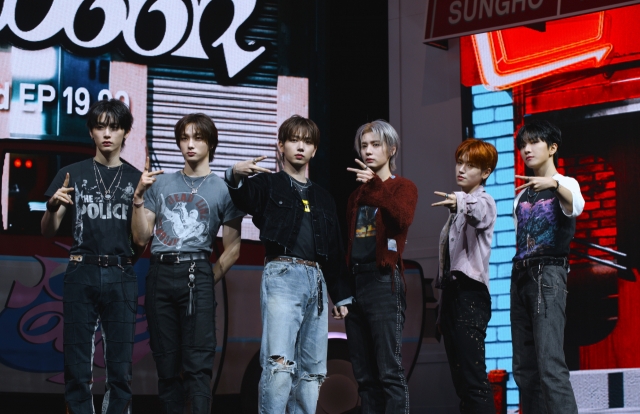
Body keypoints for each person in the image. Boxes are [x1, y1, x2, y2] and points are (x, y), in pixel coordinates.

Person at [225, 115, 351, 413]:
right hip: (282, 274)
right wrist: (234, 174)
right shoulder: (269, 184)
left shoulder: (323, 196)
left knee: (313, 371)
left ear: (315, 150)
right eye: (294, 140)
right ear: (280, 146)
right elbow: (242, 198)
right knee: (279, 365)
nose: (300, 146)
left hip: (317, 280)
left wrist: (341, 293)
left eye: (307, 142)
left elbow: (333, 249)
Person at [131, 113, 243, 413]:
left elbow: (233, 248)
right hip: (159, 273)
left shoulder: (223, 189)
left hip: (198, 274)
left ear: (211, 142)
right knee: (167, 367)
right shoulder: (162, 182)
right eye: (184, 138)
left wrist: (207, 276)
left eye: (197, 137)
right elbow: (142, 238)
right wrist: (139, 199)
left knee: (198, 367)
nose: (189, 144)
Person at [41, 99, 141, 413]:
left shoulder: (137, 178)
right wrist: (53, 207)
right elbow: (48, 231)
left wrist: (139, 202)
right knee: (77, 366)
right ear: (91, 132)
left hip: (121, 272)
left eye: (114, 127)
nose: (107, 133)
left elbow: (141, 239)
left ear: (126, 133)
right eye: (100, 126)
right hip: (81, 272)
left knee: (121, 369)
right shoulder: (71, 174)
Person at [344, 120, 418, 414]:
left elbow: (402, 219)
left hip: (383, 281)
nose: (369, 151)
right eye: (364, 145)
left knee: (389, 371)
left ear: (392, 149)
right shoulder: (355, 196)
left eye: (375, 144)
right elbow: (349, 245)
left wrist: (376, 185)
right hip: (356, 283)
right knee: (364, 377)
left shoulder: (403, 186)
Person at [511, 120, 584, 413]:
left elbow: (576, 206)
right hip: (520, 277)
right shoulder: (520, 195)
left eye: (534, 142)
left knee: (549, 364)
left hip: (548, 275)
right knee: (524, 368)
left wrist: (554, 184)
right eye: (523, 145)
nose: (527, 149)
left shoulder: (566, 183)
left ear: (552, 147)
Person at [432, 138, 498, 413]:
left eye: (470, 166)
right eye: (460, 162)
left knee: (473, 382)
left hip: (470, 296)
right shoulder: (457, 209)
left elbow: (478, 213)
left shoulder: (484, 201)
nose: (461, 169)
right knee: (461, 384)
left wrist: (459, 201)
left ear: (485, 172)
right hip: (453, 296)